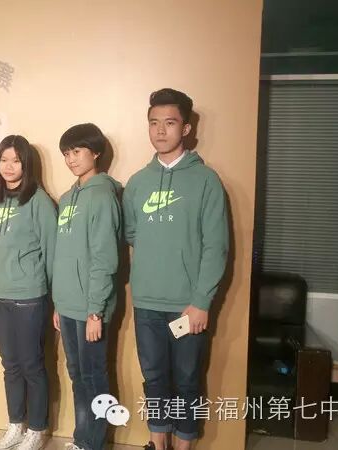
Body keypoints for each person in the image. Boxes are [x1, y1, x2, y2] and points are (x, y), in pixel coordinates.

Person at [122, 88, 228, 450]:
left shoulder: (206, 180)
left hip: (187, 306)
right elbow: (133, 233)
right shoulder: (138, 183)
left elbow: (216, 246)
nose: (160, 130)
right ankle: (158, 443)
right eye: (154, 123)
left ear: (185, 128)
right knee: (153, 379)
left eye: (169, 123)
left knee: (187, 381)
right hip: (147, 302)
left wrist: (201, 302)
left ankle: (183, 446)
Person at [0, 135, 58, 450]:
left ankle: (37, 429)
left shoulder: (39, 201)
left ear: (26, 164)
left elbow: (52, 252)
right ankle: (16, 425)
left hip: (29, 295)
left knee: (31, 364)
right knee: (10, 364)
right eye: (3, 160)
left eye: (16, 160)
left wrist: (55, 300)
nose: (9, 166)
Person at [52, 123, 121, 450]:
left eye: (77, 151)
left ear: (95, 152)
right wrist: (58, 304)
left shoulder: (103, 195)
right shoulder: (67, 198)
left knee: (94, 376)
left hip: (91, 308)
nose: (71, 159)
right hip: (67, 306)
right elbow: (63, 256)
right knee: (77, 375)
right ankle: (82, 439)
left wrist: (96, 311)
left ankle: (94, 443)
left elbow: (105, 258)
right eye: (66, 153)